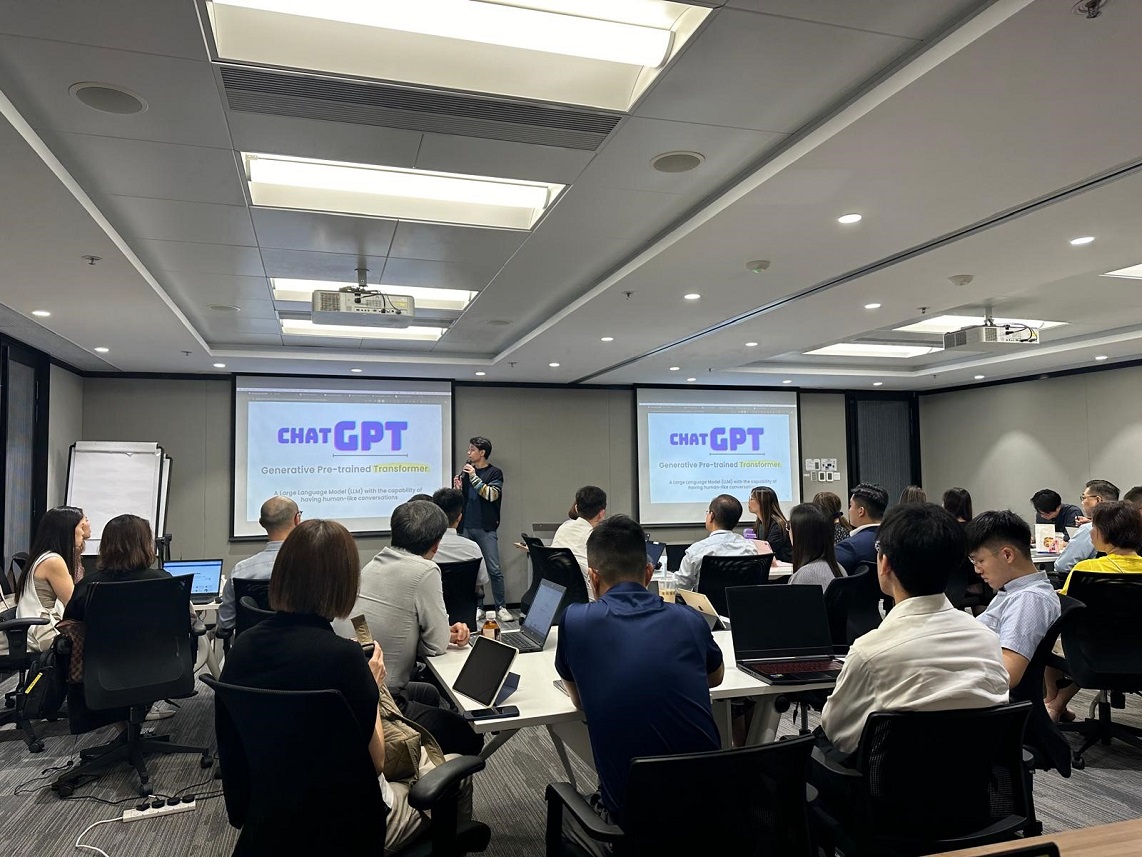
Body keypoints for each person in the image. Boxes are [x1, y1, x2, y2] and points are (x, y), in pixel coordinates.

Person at [218, 518, 431, 853]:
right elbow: (376, 762)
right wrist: (372, 687)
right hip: (347, 830)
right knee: (450, 776)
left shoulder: (242, 648)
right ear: (344, 584)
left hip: (268, 822)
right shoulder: (344, 658)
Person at [554, 515, 723, 848]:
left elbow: (579, 700)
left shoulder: (576, 621)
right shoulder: (689, 619)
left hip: (632, 818)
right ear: (648, 572)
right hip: (712, 806)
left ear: (592, 577)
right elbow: (714, 678)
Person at [818, 503, 1008, 759]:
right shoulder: (987, 640)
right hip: (973, 781)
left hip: (888, 783)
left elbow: (837, 734)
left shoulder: (870, 653)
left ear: (884, 563)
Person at [349, 500, 480, 756]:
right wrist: (442, 634)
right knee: (469, 735)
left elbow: (398, 626)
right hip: (383, 701)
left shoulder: (373, 563)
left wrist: (441, 632)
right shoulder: (425, 570)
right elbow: (436, 646)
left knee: (429, 693)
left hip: (355, 689)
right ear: (436, 544)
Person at [63, 514, 178, 727]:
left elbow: (70, 627)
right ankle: (132, 730)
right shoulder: (163, 581)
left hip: (102, 672)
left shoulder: (88, 586)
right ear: (145, 545)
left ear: (106, 546)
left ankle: (125, 730)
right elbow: (182, 626)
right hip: (160, 668)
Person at [1049, 501, 1142, 722]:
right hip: (1138, 652)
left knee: (1045, 638)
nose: (1090, 533)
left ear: (1106, 533)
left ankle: (1053, 703)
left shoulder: (1086, 569)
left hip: (1093, 653)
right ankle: (1057, 704)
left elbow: (1063, 609)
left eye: (1094, 527)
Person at [966, 511, 1060, 688]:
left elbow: (1007, 673)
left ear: (1007, 555)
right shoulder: (1014, 590)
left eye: (979, 561)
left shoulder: (1028, 600)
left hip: (983, 689)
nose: (977, 570)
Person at [217, 496, 300, 631]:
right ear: (297, 519)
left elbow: (226, 623)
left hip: (253, 643)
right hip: (304, 643)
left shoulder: (241, 570)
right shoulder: (315, 567)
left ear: (261, 523)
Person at [15, 505, 88, 653]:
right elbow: (74, 605)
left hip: (42, 627)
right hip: (45, 631)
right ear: (67, 531)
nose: (83, 532)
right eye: (81, 527)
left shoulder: (45, 556)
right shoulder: (53, 561)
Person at [454, 436, 508, 624]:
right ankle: (478, 607)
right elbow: (462, 500)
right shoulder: (467, 473)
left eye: (472, 450)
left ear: (482, 452)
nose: (468, 453)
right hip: (466, 526)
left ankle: (501, 607)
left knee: (494, 569)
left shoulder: (494, 473)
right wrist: (458, 488)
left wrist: (473, 477)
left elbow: (491, 495)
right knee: (472, 570)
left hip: (486, 527)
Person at [676, 494, 757, 591]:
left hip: (705, 601)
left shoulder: (697, 551)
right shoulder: (750, 548)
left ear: (711, 516)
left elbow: (680, 587)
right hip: (740, 600)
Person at [430, 487, 490, 598]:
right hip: (465, 608)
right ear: (459, 517)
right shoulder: (473, 548)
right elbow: (479, 584)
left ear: (435, 515)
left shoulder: (426, 548)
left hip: (432, 607)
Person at [551, 485, 607, 600]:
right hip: (590, 600)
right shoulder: (597, 539)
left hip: (557, 596)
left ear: (576, 508)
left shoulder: (563, 528)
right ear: (602, 513)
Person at [1054, 480, 1119, 576]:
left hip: (1092, 582)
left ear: (1098, 500)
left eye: (1084, 498)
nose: (1082, 502)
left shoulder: (1089, 529)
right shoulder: (1128, 526)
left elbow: (1063, 566)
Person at [787, 503, 844, 589]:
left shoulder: (804, 576)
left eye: (789, 527)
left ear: (800, 535)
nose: (788, 532)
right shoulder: (839, 568)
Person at [834, 483, 888, 573]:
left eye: (851, 506)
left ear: (861, 511)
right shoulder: (899, 540)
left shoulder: (848, 547)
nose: (849, 511)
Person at [747, 485, 792, 562]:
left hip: (783, 566)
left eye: (752, 499)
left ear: (762, 502)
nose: (748, 502)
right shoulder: (760, 524)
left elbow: (768, 549)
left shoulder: (777, 525)